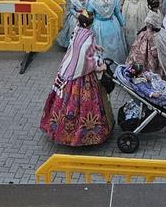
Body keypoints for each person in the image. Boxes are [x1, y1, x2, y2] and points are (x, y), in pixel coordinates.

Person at [39, 11, 112, 147]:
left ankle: (60, 131)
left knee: (63, 103)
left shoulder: (77, 30)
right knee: (86, 106)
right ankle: (82, 136)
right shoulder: (88, 37)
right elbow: (86, 59)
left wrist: (94, 47)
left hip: (68, 70)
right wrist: (99, 66)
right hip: (82, 76)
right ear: (89, 24)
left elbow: (77, 47)